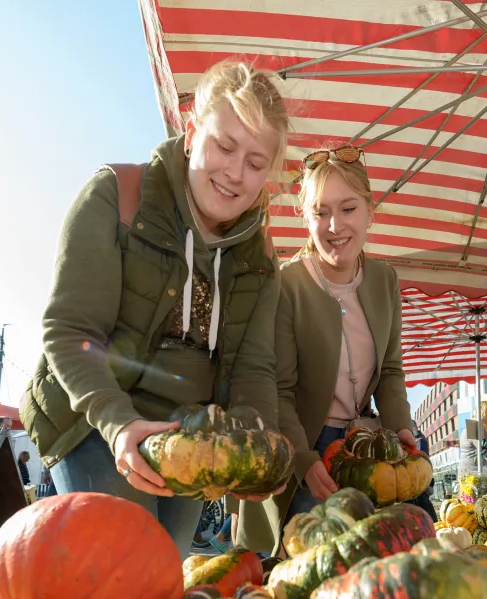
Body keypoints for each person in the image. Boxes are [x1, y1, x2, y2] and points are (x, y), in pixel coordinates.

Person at [21, 59, 290, 557]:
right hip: (94, 418)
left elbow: (255, 366)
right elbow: (69, 329)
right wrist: (118, 423)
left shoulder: (262, 258)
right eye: (224, 146)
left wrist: (256, 445)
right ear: (191, 132)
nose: (235, 172)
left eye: (256, 163)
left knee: (168, 571)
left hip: (189, 436)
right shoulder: (115, 195)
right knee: (129, 566)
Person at [235, 144, 416, 552]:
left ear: (371, 211)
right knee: (305, 567)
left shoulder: (386, 280)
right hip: (302, 449)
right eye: (321, 211)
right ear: (305, 218)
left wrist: (403, 427)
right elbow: (277, 388)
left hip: (366, 448)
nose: (335, 225)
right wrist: (304, 458)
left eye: (349, 208)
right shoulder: (285, 284)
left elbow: (389, 370)